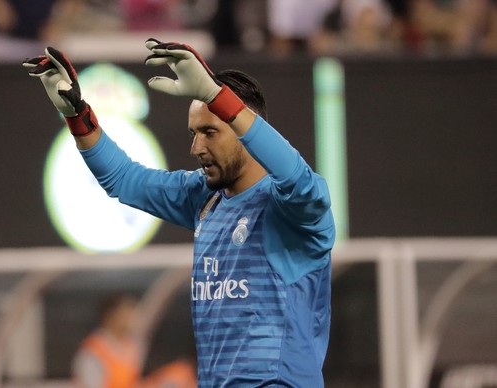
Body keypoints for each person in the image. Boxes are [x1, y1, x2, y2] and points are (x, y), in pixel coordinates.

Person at [23, 39, 335, 386]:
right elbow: (123, 179)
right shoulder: (204, 197)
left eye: (209, 132)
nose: (196, 147)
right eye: (193, 133)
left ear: (245, 132)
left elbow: (296, 177)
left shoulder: (295, 209)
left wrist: (218, 96)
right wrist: (76, 115)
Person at [72, 293, 143, 388]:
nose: (132, 319)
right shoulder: (93, 351)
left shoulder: (132, 346)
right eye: (126, 314)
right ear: (110, 317)